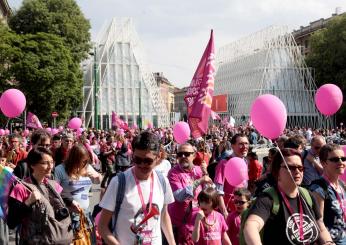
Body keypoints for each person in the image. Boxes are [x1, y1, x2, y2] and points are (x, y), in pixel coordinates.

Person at [98, 131, 176, 245]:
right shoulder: (118, 183)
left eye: (148, 161)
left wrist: (172, 243)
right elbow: (102, 227)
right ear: (132, 155)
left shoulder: (162, 181)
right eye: (137, 160)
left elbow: (164, 215)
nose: (142, 165)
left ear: (158, 157)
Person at [243, 148, 334, 245]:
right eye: (291, 167)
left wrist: (329, 242)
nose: (297, 171)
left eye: (300, 168)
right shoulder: (267, 199)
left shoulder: (308, 195)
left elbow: (321, 226)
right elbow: (251, 226)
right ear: (277, 171)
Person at [7, 147, 73, 244]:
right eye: (45, 163)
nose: (50, 166)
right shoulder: (21, 188)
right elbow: (11, 222)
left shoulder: (54, 185)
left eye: (52, 162)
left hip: (55, 239)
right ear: (32, 165)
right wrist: (28, 202)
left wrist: (71, 202)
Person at [54, 144, 102, 244]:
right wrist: (69, 202)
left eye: (86, 161)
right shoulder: (60, 170)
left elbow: (98, 181)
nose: (84, 164)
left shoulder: (86, 167)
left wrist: (97, 177)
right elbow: (54, 194)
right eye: (82, 161)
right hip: (69, 216)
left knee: (88, 241)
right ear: (74, 159)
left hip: (86, 213)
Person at [168, 143, 213, 244]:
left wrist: (206, 173)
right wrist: (199, 181)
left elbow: (208, 192)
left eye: (187, 154)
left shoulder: (199, 169)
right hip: (180, 223)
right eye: (180, 154)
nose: (183, 156)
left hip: (197, 220)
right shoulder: (173, 173)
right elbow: (179, 196)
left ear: (194, 155)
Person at [310, 144, 346, 244]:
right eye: (335, 159)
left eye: (343, 158)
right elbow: (318, 222)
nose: (341, 162)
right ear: (323, 162)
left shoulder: (342, 185)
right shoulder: (318, 188)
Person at [214, 133, 249, 217]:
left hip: (241, 210)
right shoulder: (224, 163)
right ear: (232, 146)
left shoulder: (245, 161)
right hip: (228, 211)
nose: (244, 147)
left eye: (246, 143)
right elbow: (218, 191)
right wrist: (224, 212)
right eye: (241, 144)